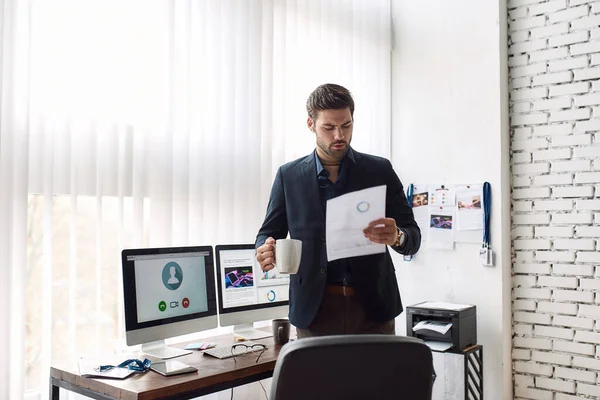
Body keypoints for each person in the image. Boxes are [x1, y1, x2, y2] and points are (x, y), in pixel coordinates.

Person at [255, 83, 421, 338]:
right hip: (314, 309)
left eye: (346, 125)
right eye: (329, 127)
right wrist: (265, 250)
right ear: (311, 124)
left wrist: (397, 236)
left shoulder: (379, 170)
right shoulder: (289, 176)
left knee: (379, 380)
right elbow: (267, 233)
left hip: (374, 308)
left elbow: (413, 237)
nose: (339, 136)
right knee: (319, 380)